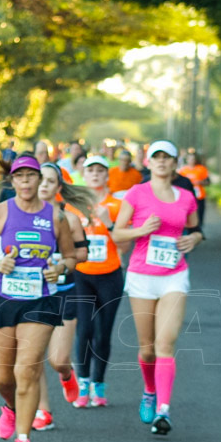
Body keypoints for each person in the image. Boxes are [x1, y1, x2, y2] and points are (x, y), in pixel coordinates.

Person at [0, 154, 77, 442]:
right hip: (3, 298)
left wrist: (59, 267)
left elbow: (72, 258)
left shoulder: (56, 216)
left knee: (28, 370)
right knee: (4, 378)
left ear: (39, 180)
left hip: (40, 298)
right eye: (19, 176)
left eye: (31, 176)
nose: (26, 181)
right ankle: (10, 407)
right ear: (13, 181)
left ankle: (24, 441)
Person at [111, 140, 202, 436]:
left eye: (168, 158)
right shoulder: (137, 193)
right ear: (148, 163)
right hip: (141, 276)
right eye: (157, 157)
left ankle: (163, 409)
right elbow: (117, 233)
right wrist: (141, 231)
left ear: (176, 164)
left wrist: (194, 239)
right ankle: (149, 390)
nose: (162, 162)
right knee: (147, 348)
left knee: (166, 343)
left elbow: (195, 229)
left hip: (175, 275)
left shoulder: (187, 197)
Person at [32, 162, 91, 431]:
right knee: (32, 359)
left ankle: (67, 374)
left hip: (65, 293)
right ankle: (43, 410)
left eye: (49, 181)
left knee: (56, 359)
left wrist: (60, 261)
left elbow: (83, 255)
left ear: (58, 187)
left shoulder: (69, 218)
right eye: (39, 179)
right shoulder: (18, 216)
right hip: (32, 294)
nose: (43, 185)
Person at [72, 155, 126, 408]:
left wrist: (109, 223)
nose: (95, 174)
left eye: (100, 171)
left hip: (110, 275)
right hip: (82, 274)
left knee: (102, 334)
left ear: (107, 176)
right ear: (84, 174)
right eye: (90, 170)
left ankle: (99, 384)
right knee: (84, 330)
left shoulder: (117, 205)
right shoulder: (73, 206)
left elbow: (125, 243)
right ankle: (83, 384)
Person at [178, 150, 210, 226]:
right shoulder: (183, 170)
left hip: (199, 196)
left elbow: (208, 182)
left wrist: (201, 182)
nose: (191, 161)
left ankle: (199, 229)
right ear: (187, 160)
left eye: (193, 159)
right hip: (187, 196)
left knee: (199, 214)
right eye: (190, 159)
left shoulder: (201, 169)